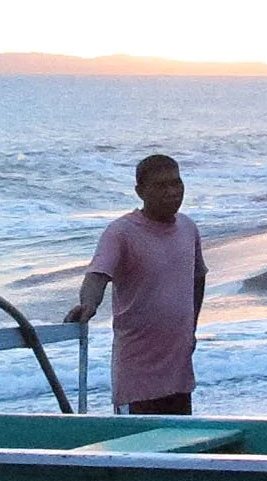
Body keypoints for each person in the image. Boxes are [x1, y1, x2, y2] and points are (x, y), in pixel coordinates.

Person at [65, 154, 207, 414]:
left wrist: (191, 330)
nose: (172, 192)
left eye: (176, 183)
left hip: (179, 371)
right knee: (136, 439)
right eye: (161, 185)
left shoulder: (188, 228)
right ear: (140, 191)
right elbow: (98, 274)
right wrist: (88, 304)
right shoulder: (121, 232)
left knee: (181, 437)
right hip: (136, 376)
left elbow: (197, 278)